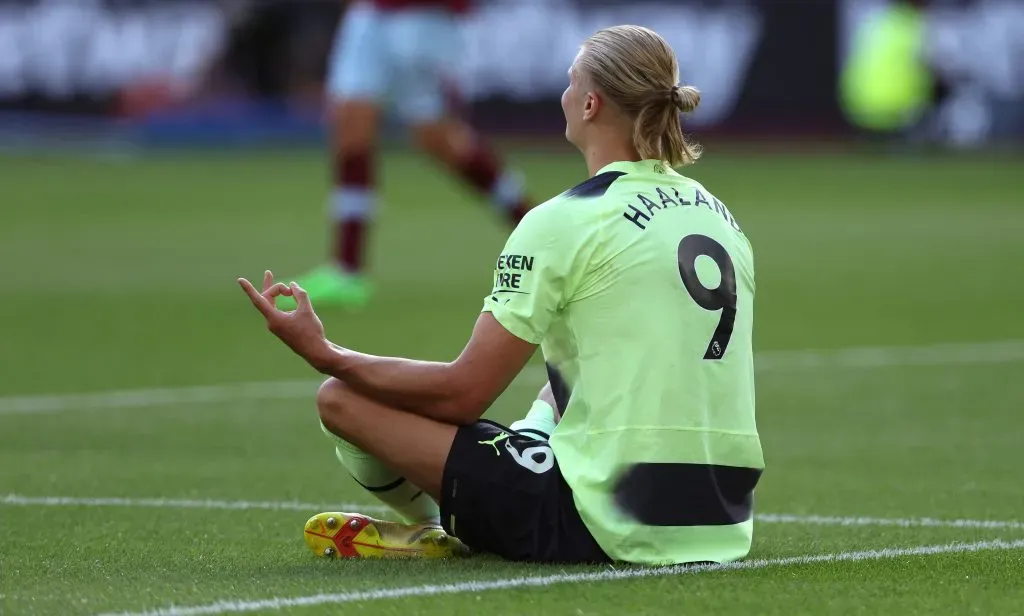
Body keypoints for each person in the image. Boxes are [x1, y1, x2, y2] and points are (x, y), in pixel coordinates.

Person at [240, 25, 764, 564]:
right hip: (721, 522)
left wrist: (324, 352)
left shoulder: (564, 219)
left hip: (605, 524)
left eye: (569, 83)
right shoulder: (719, 216)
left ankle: (434, 529)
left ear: (589, 104)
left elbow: (462, 394)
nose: (562, 96)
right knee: (561, 383)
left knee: (342, 397)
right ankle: (500, 481)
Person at [276, 0, 534, 310]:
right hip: (372, 12)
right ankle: (347, 271)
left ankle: (537, 227)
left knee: (438, 139)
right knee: (349, 123)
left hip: (425, 16)